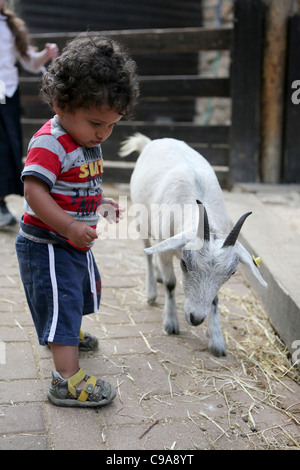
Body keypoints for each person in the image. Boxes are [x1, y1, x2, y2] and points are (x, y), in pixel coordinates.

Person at [15, 31, 139, 408]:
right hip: (48, 244)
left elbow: (81, 183)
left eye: (111, 125)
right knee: (61, 298)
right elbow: (34, 192)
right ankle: (64, 379)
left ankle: (64, 332)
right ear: (60, 102)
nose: (103, 133)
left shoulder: (84, 138)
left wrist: (101, 204)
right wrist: (68, 225)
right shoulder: (51, 142)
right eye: (96, 123)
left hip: (70, 239)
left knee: (78, 292)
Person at [0, 0, 58, 226]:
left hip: (7, 92)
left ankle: (1, 203)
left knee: (9, 145)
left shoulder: (12, 26)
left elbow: (30, 63)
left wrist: (45, 54)